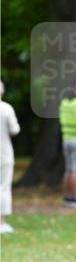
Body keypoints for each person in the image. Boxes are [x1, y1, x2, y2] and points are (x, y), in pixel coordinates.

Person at [0, 80, 20, 233]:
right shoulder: (6, 108)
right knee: (4, 187)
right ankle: (1, 222)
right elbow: (14, 130)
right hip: (4, 153)